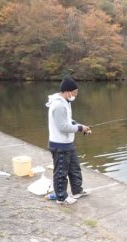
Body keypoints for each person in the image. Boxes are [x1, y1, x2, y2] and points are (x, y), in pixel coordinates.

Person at [46, 77, 91, 205]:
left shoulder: (66, 102)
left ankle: (77, 191)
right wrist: (80, 128)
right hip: (60, 145)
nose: (76, 95)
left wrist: (81, 127)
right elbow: (63, 127)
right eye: (75, 92)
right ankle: (61, 198)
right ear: (67, 92)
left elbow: (68, 121)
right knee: (61, 172)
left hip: (68, 144)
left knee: (74, 169)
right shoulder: (59, 105)